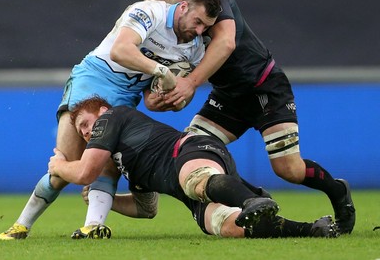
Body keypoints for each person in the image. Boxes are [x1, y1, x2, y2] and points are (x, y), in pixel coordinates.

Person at [133, 0, 355, 234]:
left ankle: (337, 191)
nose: (150, 6)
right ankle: (253, 198)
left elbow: (225, 42)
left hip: (264, 86)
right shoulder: (166, 19)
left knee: (288, 169)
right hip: (227, 96)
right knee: (194, 153)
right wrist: (161, 97)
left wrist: (189, 84)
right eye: (145, 0)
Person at [0, 0, 222, 240]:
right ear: (182, 8)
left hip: (127, 97)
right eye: (198, 22)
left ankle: (93, 226)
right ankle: (21, 225)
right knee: (66, 163)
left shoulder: (193, 49)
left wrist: (170, 98)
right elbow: (120, 51)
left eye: (206, 27)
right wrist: (162, 71)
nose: (200, 31)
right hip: (94, 81)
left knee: (107, 162)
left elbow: (150, 99)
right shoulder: (149, 11)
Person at [48, 96, 339, 239]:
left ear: (101, 112)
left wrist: (60, 166)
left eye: (86, 124)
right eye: (81, 130)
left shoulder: (113, 117)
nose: (86, 133)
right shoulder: (127, 165)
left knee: (194, 180)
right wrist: (108, 203)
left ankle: (251, 199)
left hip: (192, 150)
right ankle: (312, 230)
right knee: (227, 226)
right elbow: (147, 209)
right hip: (194, 190)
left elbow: (85, 172)